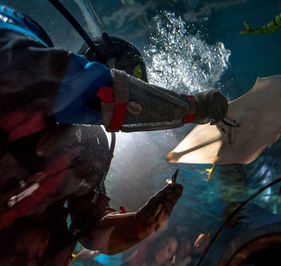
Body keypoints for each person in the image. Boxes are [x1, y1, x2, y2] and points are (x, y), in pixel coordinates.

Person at [0, 4, 228, 265]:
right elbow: (90, 88)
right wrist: (191, 107)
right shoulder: (11, 49)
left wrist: (139, 225)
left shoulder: (92, 146)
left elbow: (91, 227)